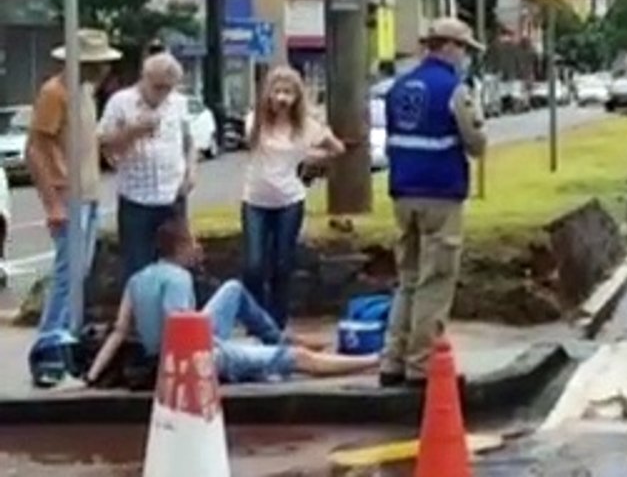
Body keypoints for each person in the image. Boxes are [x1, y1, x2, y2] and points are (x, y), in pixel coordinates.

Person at [85, 219, 378, 385]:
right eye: (194, 242)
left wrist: (93, 375)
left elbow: (119, 331)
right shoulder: (178, 279)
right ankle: (373, 360)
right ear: (182, 247)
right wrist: (229, 351)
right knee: (297, 360)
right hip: (195, 357)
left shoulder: (138, 279)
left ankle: (278, 338)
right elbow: (180, 329)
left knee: (233, 289)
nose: (199, 247)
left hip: (176, 350)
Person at [379, 17, 487, 388]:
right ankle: (421, 366)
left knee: (407, 280)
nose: (466, 58)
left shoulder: (398, 87)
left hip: (402, 193)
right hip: (441, 194)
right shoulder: (454, 90)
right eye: (465, 50)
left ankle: (392, 359)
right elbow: (476, 143)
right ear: (449, 47)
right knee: (435, 280)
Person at [25, 30, 121, 387]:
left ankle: (64, 344)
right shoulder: (55, 93)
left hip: (89, 192)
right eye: (94, 64)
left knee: (79, 273)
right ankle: (48, 346)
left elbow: (85, 141)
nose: (100, 70)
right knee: (68, 274)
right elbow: (35, 150)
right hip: (68, 194)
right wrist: (52, 202)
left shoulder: (85, 92)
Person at [241, 65, 344, 327]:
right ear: (268, 94)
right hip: (255, 200)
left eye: (288, 92)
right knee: (254, 264)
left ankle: (277, 321)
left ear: (297, 96)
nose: (282, 98)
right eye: (277, 91)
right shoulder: (255, 121)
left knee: (282, 263)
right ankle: (257, 316)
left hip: (289, 200)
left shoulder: (307, 127)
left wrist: (312, 157)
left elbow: (337, 149)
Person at [98, 52, 197, 283]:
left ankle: (171, 315)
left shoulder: (179, 103)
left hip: (172, 195)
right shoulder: (120, 102)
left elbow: (189, 140)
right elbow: (104, 144)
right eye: (158, 86)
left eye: (168, 88)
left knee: (178, 264)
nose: (162, 93)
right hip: (136, 198)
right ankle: (140, 317)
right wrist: (132, 131)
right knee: (138, 267)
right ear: (144, 78)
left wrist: (192, 171)